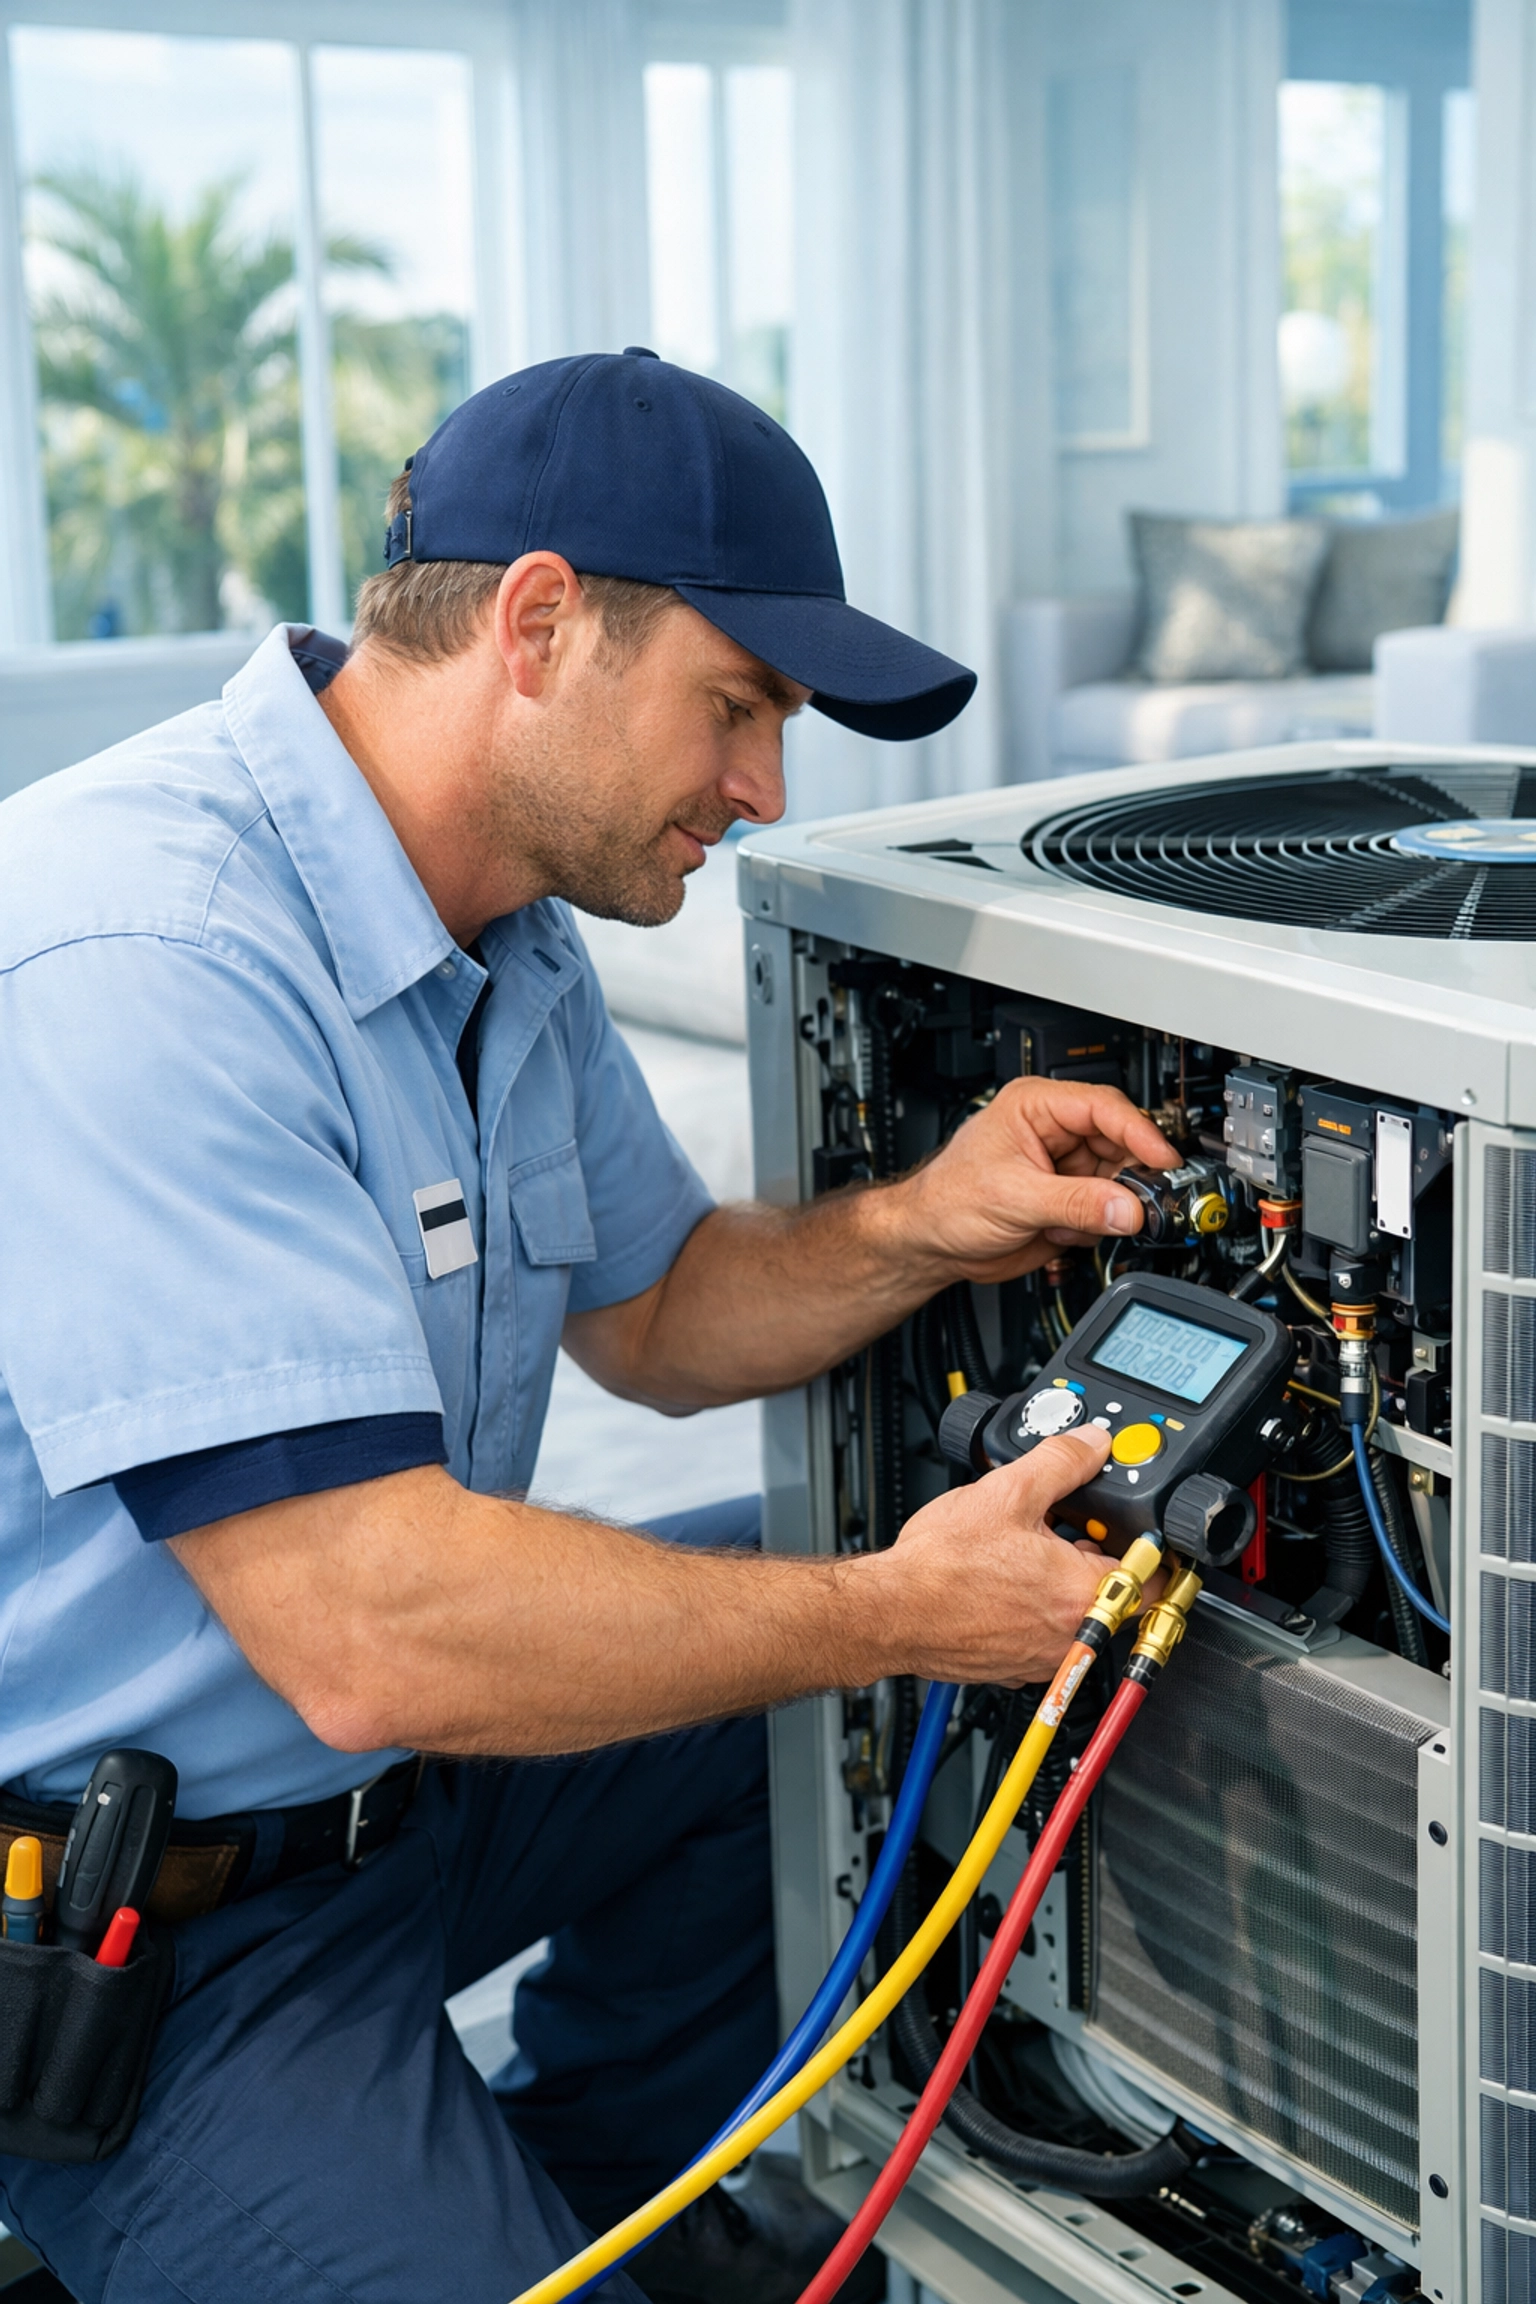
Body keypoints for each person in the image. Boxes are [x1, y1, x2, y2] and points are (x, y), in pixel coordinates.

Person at [0, 351, 1171, 2304]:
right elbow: (374, 1629)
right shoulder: (148, 951)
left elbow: (655, 1312)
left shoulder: (503, 932)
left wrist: (924, 1224)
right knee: (843, 1619)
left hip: (394, 1818)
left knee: (794, 1645)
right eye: (741, 706)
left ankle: (606, 2193)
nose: (765, 791)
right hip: (157, 1941)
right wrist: (904, 1607)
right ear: (539, 626)